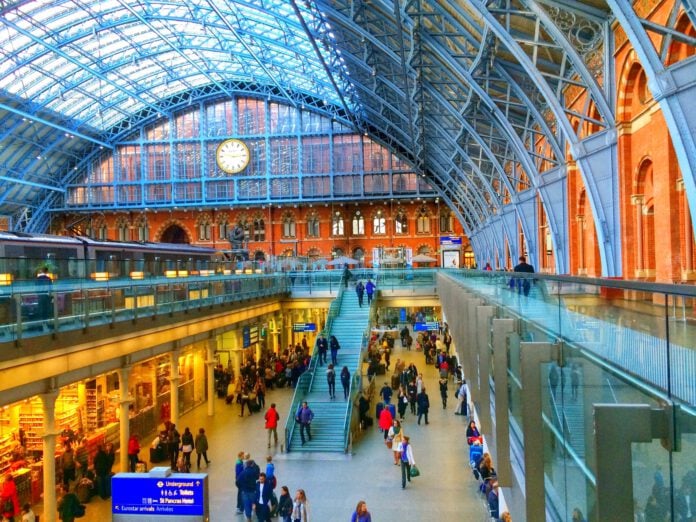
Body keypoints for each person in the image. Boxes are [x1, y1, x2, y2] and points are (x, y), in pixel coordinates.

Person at [236, 456, 260, 522]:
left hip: (245, 492)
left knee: (246, 504)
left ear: (246, 465)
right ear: (252, 465)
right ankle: (256, 513)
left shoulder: (243, 473)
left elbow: (237, 481)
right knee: (254, 502)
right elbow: (257, 477)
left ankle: (248, 517)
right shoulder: (253, 471)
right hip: (252, 491)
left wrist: (241, 488)